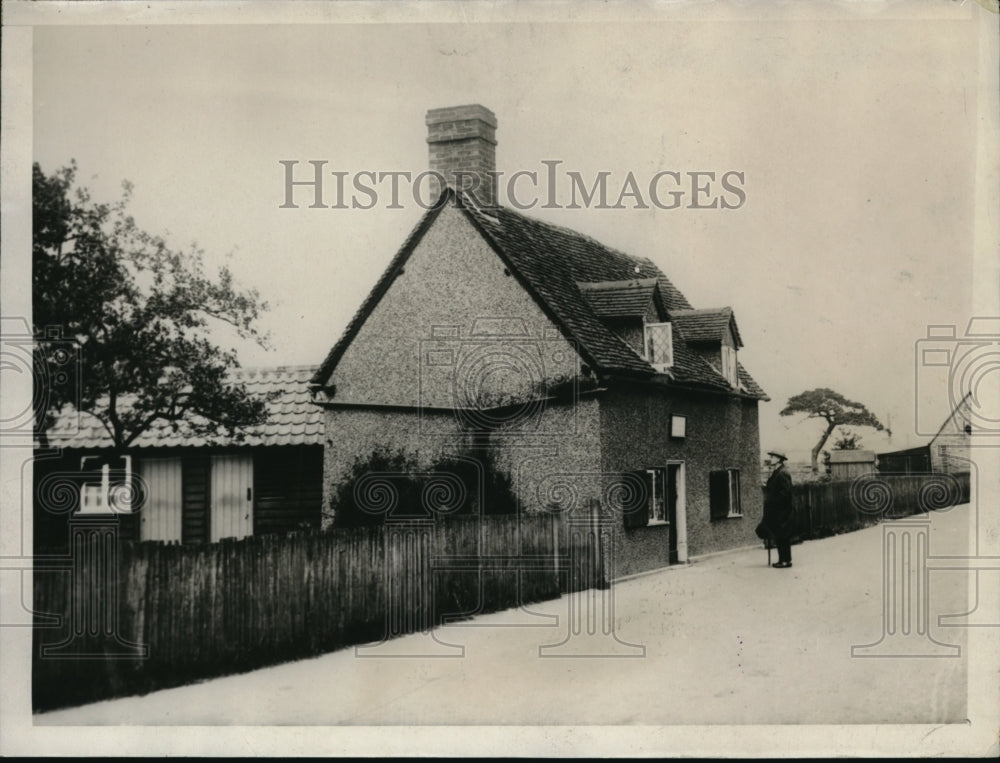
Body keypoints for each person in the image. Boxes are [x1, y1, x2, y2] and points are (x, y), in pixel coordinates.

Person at [762, 450, 795, 568]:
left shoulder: (782, 473)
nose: (770, 458)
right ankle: (784, 560)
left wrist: (774, 504)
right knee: (781, 535)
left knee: (783, 536)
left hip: (782, 511)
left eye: (772, 457)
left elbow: (785, 493)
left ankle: (785, 561)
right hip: (779, 510)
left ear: (778, 459)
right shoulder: (778, 471)